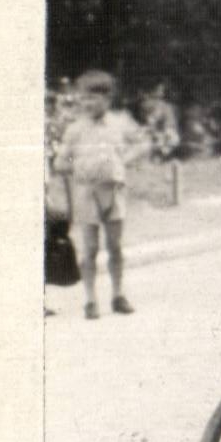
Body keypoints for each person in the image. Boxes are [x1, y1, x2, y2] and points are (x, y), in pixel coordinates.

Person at [52, 70, 147, 320]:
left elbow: (142, 144)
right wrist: (78, 165)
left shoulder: (120, 123)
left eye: (94, 98)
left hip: (114, 190)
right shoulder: (75, 130)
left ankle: (118, 295)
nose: (88, 103)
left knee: (115, 246)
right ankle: (90, 300)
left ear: (107, 99)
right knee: (90, 248)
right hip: (86, 193)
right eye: (84, 98)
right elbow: (61, 162)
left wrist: (124, 160)